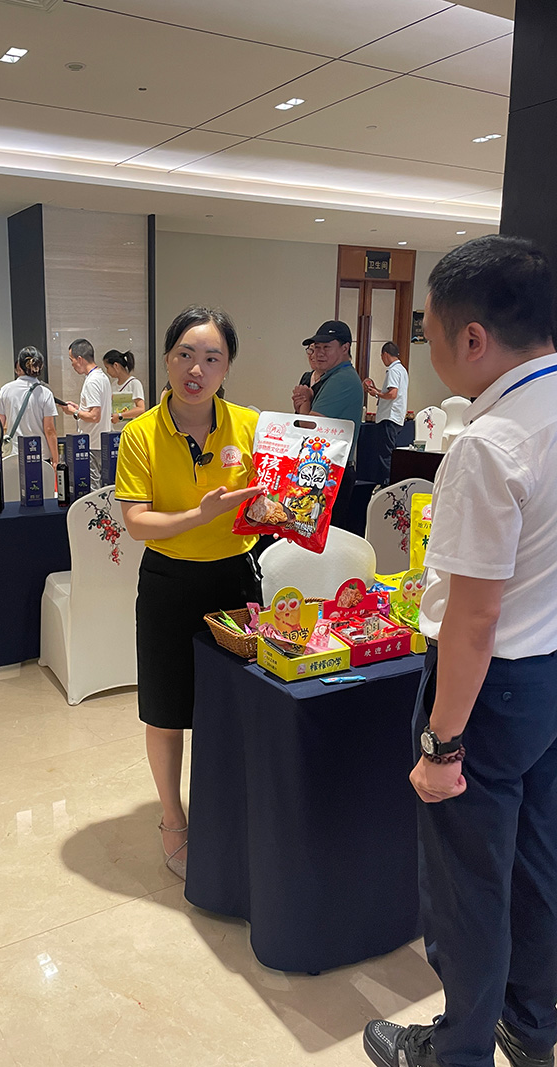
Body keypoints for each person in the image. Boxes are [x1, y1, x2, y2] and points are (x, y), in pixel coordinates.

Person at [363, 235, 557, 1067]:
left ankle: (458, 1052)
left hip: (493, 684)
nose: (428, 348)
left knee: (467, 883)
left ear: (472, 337)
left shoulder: (490, 442)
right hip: (549, 673)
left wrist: (442, 744)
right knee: (538, 859)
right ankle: (533, 1024)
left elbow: (474, 620)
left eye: (431, 331)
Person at [115, 306, 263, 880]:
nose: (196, 369)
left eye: (211, 358)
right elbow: (136, 522)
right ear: (167, 358)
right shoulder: (141, 433)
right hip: (168, 583)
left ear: (227, 368)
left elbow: (275, 500)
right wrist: (197, 516)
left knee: (234, 703)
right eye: (185, 355)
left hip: (235, 580)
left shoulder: (251, 425)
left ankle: (225, 809)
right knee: (166, 708)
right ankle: (172, 819)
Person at [292, 320, 363, 529]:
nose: (319, 353)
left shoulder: (343, 379)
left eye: (326, 347)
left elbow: (309, 426)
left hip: (332, 472)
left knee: (317, 534)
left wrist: (305, 402)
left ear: (345, 348)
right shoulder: (330, 377)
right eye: (316, 348)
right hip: (325, 469)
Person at [0, 346, 59, 463]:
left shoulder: (6, 389)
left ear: (19, 366)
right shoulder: (45, 393)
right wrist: (56, 458)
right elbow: (49, 430)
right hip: (40, 453)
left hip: (13, 453)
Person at [64, 339, 112, 490]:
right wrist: (79, 408)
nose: (72, 364)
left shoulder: (92, 381)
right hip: (102, 441)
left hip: (92, 443)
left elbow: (94, 416)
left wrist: (74, 412)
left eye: (71, 360)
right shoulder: (102, 377)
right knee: (102, 489)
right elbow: (96, 410)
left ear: (80, 359)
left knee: (93, 489)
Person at [363, 341, 409, 485]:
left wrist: (377, 393)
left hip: (389, 417)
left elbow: (392, 394)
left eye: (382, 356)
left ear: (385, 354)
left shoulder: (393, 370)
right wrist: (377, 392)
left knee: (385, 454)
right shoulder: (402, 370)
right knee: (391, 453)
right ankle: (390, 483)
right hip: (397, 416)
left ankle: (386, 484)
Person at [103, 349, 146, 426]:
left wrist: (120, 416)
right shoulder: (113, 384)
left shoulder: (134, 383)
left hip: (130, 427)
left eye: (107, 368)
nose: (107, 371)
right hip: (114, 429)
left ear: (116, 366)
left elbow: (141, 409)